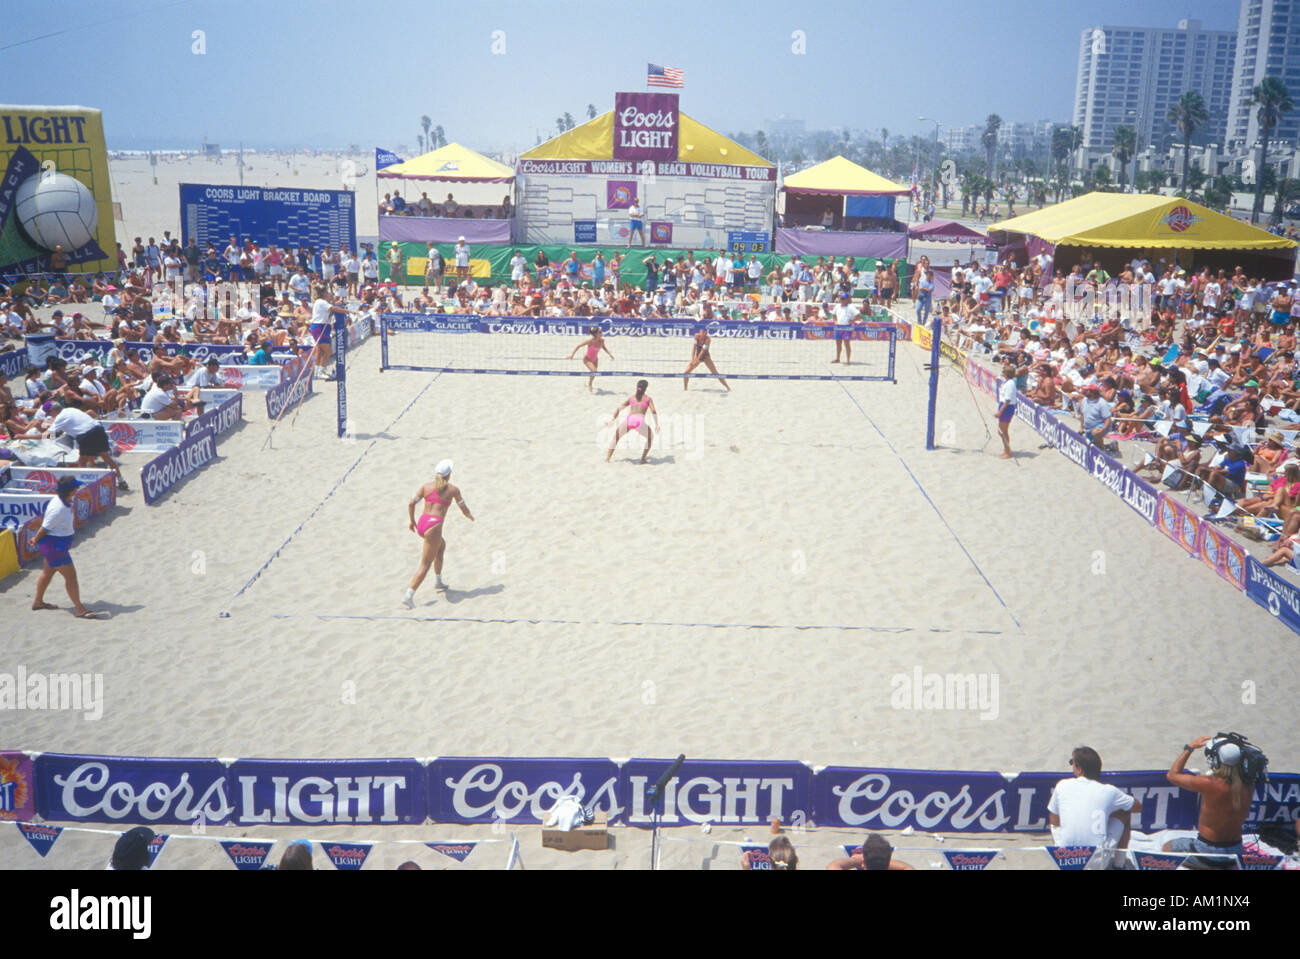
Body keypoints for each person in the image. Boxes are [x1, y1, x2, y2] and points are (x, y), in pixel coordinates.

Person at [1163, 735, 1262, 866]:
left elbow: (1172, 775)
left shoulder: (1209, 783)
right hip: (1235, 851)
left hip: (1208, 851)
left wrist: (1190, 748)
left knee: (1167, 847)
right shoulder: (1249, 785)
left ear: (1215, 761)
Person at [1048, 746, 1142, 862]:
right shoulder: (1109, 791)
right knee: (1124, 812)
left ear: (1079, 768)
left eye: (1072, 763)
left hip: (1065, 859)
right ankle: (1119, 864)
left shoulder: (1062, 785)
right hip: (1096, 861)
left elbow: (1054, 819)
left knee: (1055, 821)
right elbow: (1138, 807)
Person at [403, 460, 474, 608]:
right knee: (425, 564)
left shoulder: (426, 486)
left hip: (422, 523)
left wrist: (412, 521)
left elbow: (411, 504)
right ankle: (409, 595)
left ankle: (438, 581)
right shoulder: (453, 489)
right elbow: (463, 508)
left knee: (441, 546)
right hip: (433, 526)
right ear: (449, 475)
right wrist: (470, 517)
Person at [31, 476, 101, 618]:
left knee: (48, 573)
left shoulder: (67, 500)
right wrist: (35, 539)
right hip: (54, 546)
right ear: (70, 490)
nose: (78, 488)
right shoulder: (58, 508)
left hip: (56, 544)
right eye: (76, 487)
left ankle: (38, 602)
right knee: (71, 577)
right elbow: (45, 528)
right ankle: (80, 609)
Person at [48, 398, 129, 490]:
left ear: (53, 410)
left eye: (49, 413)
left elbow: (49, 435)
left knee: (82, 463)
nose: (49, 415)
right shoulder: (71, 409)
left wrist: (30, 436)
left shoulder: (60, 417)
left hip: (86, 435)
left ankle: (80, 487)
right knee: (107, 458)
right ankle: (122, 481)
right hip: (97, 429)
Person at [606, 379, 659, 464]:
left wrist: (612, 420)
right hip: (639, 421)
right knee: (650, 437)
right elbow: (653, 411)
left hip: (629, 420)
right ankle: (642, 459)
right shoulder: (648, 399)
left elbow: (619, 408)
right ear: (645, 389)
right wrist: (656, 424)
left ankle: (608, 459)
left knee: (616, 438)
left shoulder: (631, 398)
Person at [825, 834, 914, 870]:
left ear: (863, 862)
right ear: (887, 863)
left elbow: (833, 865)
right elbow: (907, 867)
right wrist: (881, 860)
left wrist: (857, 860)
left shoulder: (862, 862)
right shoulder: (887, 863)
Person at [568, 325, 613, 392]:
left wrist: (609, 354)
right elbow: (578, 346)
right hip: (587, 359)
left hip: (595, 359)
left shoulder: (602, 341)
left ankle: (590, 383)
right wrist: (572, 355)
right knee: (594, 371)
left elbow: (603, 347)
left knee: (594, 373)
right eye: (600, 332)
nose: (601, 333)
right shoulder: (590, 341)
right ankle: (590, 385)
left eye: (601, 331)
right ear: (596, 334)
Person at [996, 363, 1016, 459]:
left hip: (1007, 407)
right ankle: (1006, 449)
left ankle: (1008, 452)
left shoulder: (1010, 384)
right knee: (1001, 431)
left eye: (1003, 372)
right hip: (1004, 405)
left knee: (1003, 431)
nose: (1002, 373)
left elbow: (1007, 400)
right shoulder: (1007, 382)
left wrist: (1000, 412)